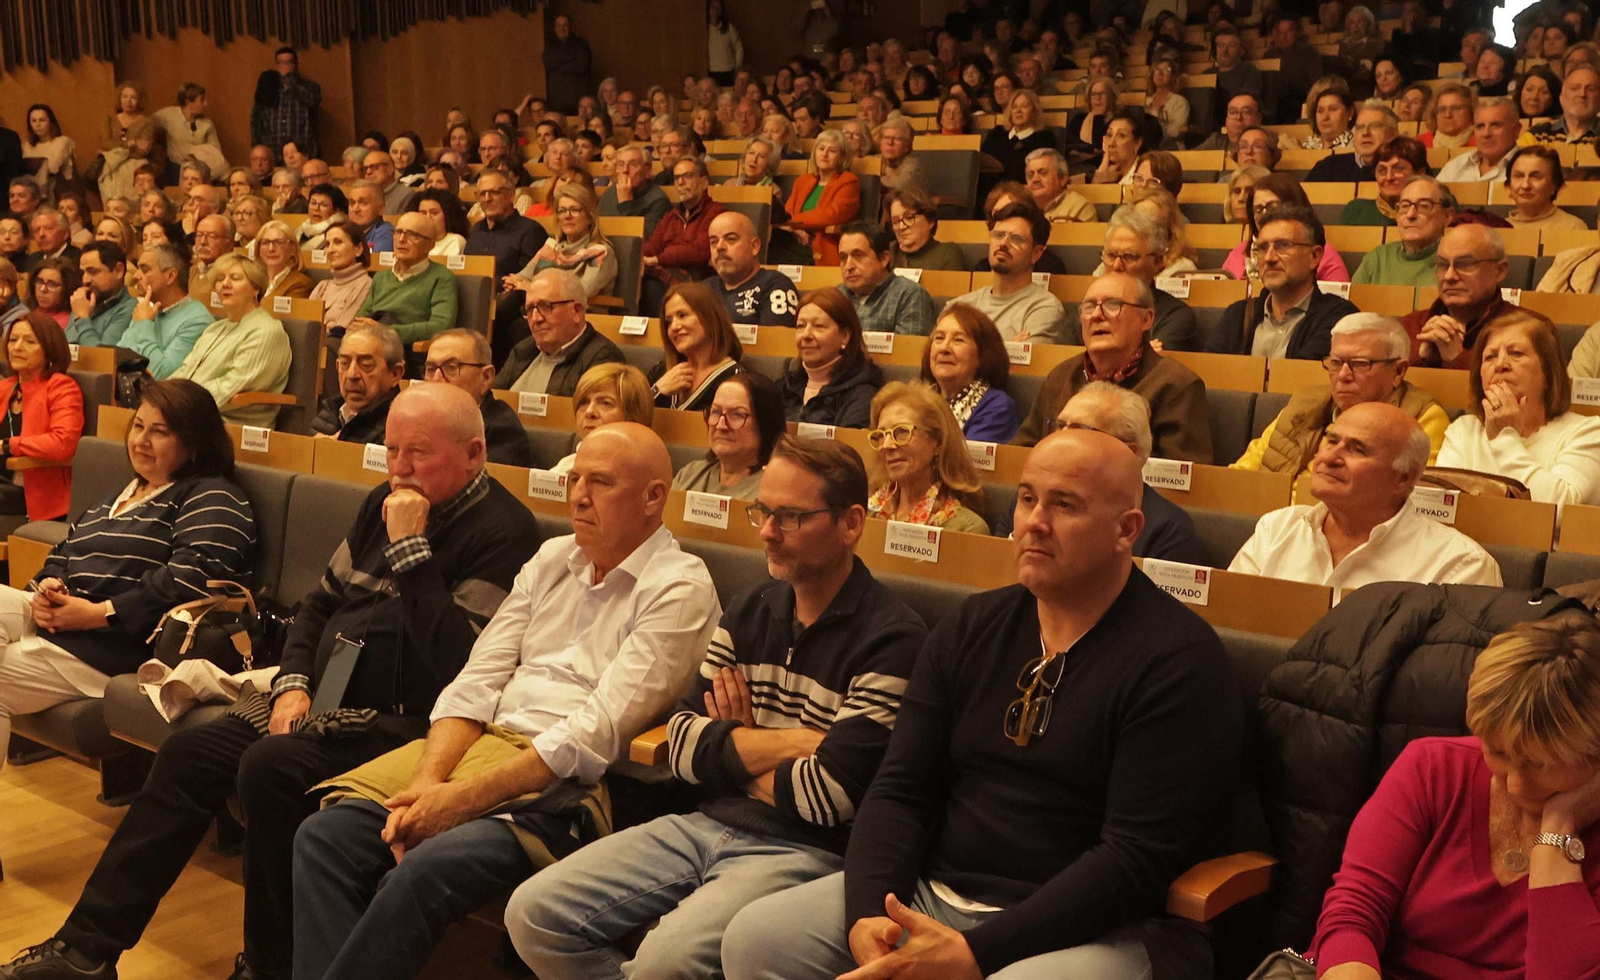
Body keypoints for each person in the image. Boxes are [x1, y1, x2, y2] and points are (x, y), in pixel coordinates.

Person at [1, 382, 539, 980]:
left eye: (418, 453)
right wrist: (293, 682)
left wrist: (411, 549)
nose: (400, 468)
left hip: (410, 723)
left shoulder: (505, 531)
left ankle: (268, 963)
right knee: (190, 752)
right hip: (320, 698)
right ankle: (86, 951)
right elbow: (316, 607)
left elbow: (459, 662)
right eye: (390, 451)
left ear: (474, 453)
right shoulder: (381, 502)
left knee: (271, 768)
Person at [722, 419, 1244, 980]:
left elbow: (1133, 861)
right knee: (757, 941)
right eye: (1025, 499)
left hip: (1098, 928)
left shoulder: (1179, 661)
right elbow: (900, 789)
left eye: (1064, 506)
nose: (1034, 524)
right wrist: (871, 914)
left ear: (1127, 529)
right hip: (934, 892)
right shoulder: (974, 625)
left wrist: (977, 954)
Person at [289, 420, 718, 980]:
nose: (579, 496)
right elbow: (477, 680)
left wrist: (457, 801)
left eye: (602, 483)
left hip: (575, 785)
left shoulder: (679, 586)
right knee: (324, 838)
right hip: (479, 747)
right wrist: (427, 784)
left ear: (653, 497)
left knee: (424, 869)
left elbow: (597, 732)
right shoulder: (550, 559)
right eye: (576, 479)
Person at [510, 432, 925, 978]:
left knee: (664, 963)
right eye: (762, 513)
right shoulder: (751, 607)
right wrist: (789, 744)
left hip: (807, 852)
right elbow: (679, 742)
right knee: (534, 914)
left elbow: (830, 797)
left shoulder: (893, 639)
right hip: (704, 822)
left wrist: (729, 752)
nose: (769, 534)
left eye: (792, 517)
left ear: (851, 523)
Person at [1308, 613, 1600, 977]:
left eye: (1541, 764)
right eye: (1498, 752)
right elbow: (1352, 912)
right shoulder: (1433, 768)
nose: (1514, 785)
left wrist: (1556, 837)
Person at [0, 378, 251, 772]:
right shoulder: (121, 494)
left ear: (195, 442)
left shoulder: (211, 495)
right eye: (138, 426)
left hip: (118, 649)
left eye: (159, 432)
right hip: (67, 624)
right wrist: (47, 588)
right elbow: (64, 553)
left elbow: (189, 580)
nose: (141, 441)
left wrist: (99, 613)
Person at [1231, 402, 1502, 589]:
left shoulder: (1459, 566)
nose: (1330, 457)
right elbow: (1229, 620)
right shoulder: (1275, 530)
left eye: (1357, 450)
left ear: (1403, 478)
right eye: (1331, 440)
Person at [1015, 272, 1212, 462]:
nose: (1097, 315)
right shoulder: (1061, 376)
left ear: (1146, 319)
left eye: (1113, 305)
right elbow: (1023, 451)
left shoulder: (1176, 384)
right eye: (1089, 306)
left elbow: (1177, 481)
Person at [1235, 314, 1449, 476]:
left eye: (1360, 364)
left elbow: (1411, 498)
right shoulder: (1302, 405)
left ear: (1399, 371)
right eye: (1336, 363)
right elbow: (1242, 475)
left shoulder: (1422, 417)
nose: (1343, 375)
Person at [1437, 319, 1600, 506]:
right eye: (1490, 357)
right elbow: (1440, 507)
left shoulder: (1588, 432)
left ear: (1548, 374)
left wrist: (1505, 439)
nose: (1500, 364)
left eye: (1516, 354)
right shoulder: (1464, 430)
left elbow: (1559, 511)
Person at [1210, 205, 1355, 361]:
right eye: (1263, 248)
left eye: (1283, 245)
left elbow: (1295, 379)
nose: (1269, 258)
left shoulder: (1339, 318)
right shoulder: (1237, 315)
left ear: (1314, 256)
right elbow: (1210, 374)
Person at [1067, 205, 1198, 352]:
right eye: (1111, 255)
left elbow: (1152, 368)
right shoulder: (1086, 311)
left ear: (1158, 262)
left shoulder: (1175, 316)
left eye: (1129, 257)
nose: (1117, 265)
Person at [865, 381, 988, 534]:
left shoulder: (966, 529)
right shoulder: (867, 512)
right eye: (881, 435)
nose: (887, 445)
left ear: (938, 442)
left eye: (902, 431)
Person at [0, 312, 81, 530]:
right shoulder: (6, 387)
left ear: (49, 349)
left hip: (31, 493)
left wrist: (9, 446)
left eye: (29, 341)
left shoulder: (61, 387)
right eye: (13, 340)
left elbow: (63, 443)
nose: (17, 347)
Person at [496, 268, 626, 397]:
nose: (536, 318)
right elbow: (489, 403)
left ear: (576, 311)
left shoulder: (602, 358)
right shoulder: (523, 350)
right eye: (530, 309)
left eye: (546, 306)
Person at [948, 202, 1065, 344]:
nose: (1003, 243)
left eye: (1016, 238)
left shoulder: (1045, 307)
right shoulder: (959, 306)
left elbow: (1023, 365)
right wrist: (1008, 346)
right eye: (998, 235)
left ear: (1036, 253)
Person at [348, 212, 458, 348]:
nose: (401, 239)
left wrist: (386, 332)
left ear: (430, 245)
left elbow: (441, 326)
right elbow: (360, 320)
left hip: (406, 349)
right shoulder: (381, 277)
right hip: (372, 344)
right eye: (398, 232)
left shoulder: (442, 277)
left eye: (413, 235)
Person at [781, 288, 883, 430]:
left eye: (819, 326)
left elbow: (845, 449)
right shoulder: (787, 383)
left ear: (845, 335)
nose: (806, 335)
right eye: (800, 326)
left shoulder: (863, 393)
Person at [673, 373, 784, 499]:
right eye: (715, 411)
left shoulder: (776, 489)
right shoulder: (689, 474)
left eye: (737, 414)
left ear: (765, 423)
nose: (721, 425)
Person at [1227, 173, 1352, 284]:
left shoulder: (1323, 254)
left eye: (1272, 207)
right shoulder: (1240, 253)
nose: (1265, 215)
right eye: (1258, 210)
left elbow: (1336, 302)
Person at [640, 156, 725, 315]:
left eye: (687, 176)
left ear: (704, 182)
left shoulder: (715, 212)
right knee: (639, 280)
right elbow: (653, 246)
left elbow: (700, 252)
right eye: (677, 178)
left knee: (650, 287)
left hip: (698, 279)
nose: (680, 183)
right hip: (666, 276)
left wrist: (658, 259)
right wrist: (637, 256)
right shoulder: (670, 216)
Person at [922, 303, 1017, 443]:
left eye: (958, 340)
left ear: (982, 355)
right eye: (939, 338)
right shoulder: (918, 400)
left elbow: (965, 462)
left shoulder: (996, 407)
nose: (944, 348)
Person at [465, 169, 550, 321]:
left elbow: (532, 283)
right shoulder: (475, 231)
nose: (487, 199)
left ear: (511, 195)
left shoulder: (530, 231)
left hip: (513, 314)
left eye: (494, 192)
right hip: (473, 307)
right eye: (481, 194)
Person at [120, 244, 214, 380]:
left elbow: (161, 375)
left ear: (170, 276)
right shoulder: (147, 309)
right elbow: (117, 357)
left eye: (145, 270)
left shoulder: (197, 321)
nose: (136, 275)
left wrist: (143, 324)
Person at [649, 281, 745, 411]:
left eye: (682, 315)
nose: (674, 327)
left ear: (710, 317)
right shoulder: (661, 371)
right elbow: (629, 421)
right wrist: (657, 391)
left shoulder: (735, 378)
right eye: (668, 322)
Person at [834, 222, 937, 337]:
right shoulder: (837, 296)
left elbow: (907, 351)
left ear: (884, 259)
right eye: (843, 258)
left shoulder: (909, 295)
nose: (849, 266)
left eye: (858, 255)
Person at [549, 363, 654, 474]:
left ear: (633, 416)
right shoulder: (566, 465)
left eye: (605, 403)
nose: (589, 412)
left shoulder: (640, 474)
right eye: (584, 402)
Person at [1352, 177, 1454, 288]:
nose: (1410, 215)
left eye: (1424, 206)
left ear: (1448, 216)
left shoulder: (1456, 263)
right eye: (1405, 206)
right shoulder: (1377, 259)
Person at [705, 210, 799, 327]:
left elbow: (775, 342)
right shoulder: (704, 290)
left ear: (754, 246)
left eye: (731, 239)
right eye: (713, 242)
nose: (719, 247)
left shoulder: (775, 286)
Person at [311, 324, 403, 443]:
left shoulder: (399, 430)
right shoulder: (328, 414)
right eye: (345, 363)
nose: (351, 374)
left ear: (395, 374)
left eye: (366, 365)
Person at [783, 129, 861, 267]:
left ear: (842, 157)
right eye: (821, 148)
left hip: (823, 244)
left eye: (832, 151)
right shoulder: (802, 181)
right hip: (793, 239)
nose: (824, 154)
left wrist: (793, 223)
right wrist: (794, 229)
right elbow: (787, 212)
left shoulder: (849, 181)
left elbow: (830, 215)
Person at [1339, 137, 1430, 227]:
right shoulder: (1356, 211)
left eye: (1398, 169)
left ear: (1420, 173)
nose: (1389, 177)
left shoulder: (1432, 213)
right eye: (1382, 170)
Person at [251, 47, 320, 161]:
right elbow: (256, 117)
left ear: (296, 64)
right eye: (281, 63)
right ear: (276, 65)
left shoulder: (309, 87)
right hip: (273, 152)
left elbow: (313, 101)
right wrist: (258, 144)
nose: (285, 66)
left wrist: (291, 83)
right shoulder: (267, 87)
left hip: (301, 151)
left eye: (289, 62)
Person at [308, 217, 375, 335]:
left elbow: (342, 329)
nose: (330, 250)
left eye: (338, 242)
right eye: (327, 244)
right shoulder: (322, 286)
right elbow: (304, 324)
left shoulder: (365, 284)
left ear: (358, 249)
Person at [1501, 144, 1586, 234]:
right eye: (1519, 176)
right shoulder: (1496, 228)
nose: (1525, 185)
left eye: (1536, 177)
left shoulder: (1573, 228)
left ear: (1554, 184)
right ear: (1509, 184)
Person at [66, 242, 136, 348]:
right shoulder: (84, 301)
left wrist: (82, 318)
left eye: (93, 272)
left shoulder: (130, 309)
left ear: (118, 270)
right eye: (82, 273)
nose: (85, 280)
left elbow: (103, 359)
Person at [152, 83, 227, 180]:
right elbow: (147, 123)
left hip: (200, 169)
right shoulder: (168, 115)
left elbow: (216, 153)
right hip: (176, 169)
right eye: (201, 100)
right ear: (188, 102)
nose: (205, 104)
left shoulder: (207, 124)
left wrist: (199, 158)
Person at [1437, 100, 1522, 183]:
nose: (1486, 134)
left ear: (1516, 130)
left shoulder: (1530, 167)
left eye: (1495, 125)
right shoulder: (1456, 166)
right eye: (1480, 126)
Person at [599, 144, 672, 241]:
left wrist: (626, 203)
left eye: (633, 165)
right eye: (621, 164)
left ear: (647, 171)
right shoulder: (609, 193)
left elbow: (644, 241)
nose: (625, 170)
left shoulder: (659, 200)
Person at [1533, 65, 1600, 144]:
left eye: (1591, 89)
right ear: (1561, 97)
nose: (1582, 94)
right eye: (1574, 88)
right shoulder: (1536, 134)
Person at [1025, 148, 1094, 224]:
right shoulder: (1023, 207)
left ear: (1062, 178)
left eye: (1043, 173)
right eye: (1030, 175)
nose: (1035, 179)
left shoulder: (1080, 207)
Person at [255, 219, 312, 307]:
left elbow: (284, 318)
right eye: (265, 243)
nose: (271, 248)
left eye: (278, 242)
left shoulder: (300, 284)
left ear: (292, 248)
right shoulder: (252, 280)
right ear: (258, 249)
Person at [543, 13, 593, 113]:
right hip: (556, 99)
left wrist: (558, 66)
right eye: (558, 25)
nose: (562, 29)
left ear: (570, 27)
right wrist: (570, 58)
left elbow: (582, 66)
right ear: (554, 28)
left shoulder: (581, 44)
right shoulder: (549, 45)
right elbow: (548, 62)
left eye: (565, 25)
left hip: (577, 97)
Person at [408, 190, 468, 257]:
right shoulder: (412, 242)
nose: (428, 217)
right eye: (423, 213)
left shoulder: (455, 241)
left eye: (434, 213)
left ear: (446, 215)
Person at [25, 257, 77, 330]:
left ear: (67, 288)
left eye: (52, 284)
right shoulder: (27, 313)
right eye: (39, 282)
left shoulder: (68, 324)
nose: (43, 289)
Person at [1302, 85, 1355, 152]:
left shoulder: (1358, 148)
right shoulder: (1306, 145)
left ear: (1350, 112)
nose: (1325, 117)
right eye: (1320, 111)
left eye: (1333, 109)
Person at [346, 180, 394, 253]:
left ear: (381, 208)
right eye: (352, 203)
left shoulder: (385, 232)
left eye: (363, 203)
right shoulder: (343, 232)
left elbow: (375, 263)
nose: (355, 209)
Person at [297, 182, 347, 250]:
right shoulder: (300, 231)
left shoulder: (339, 233)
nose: (316, 208)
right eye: (313, 203)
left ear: (336, 210)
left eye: (324, 205)